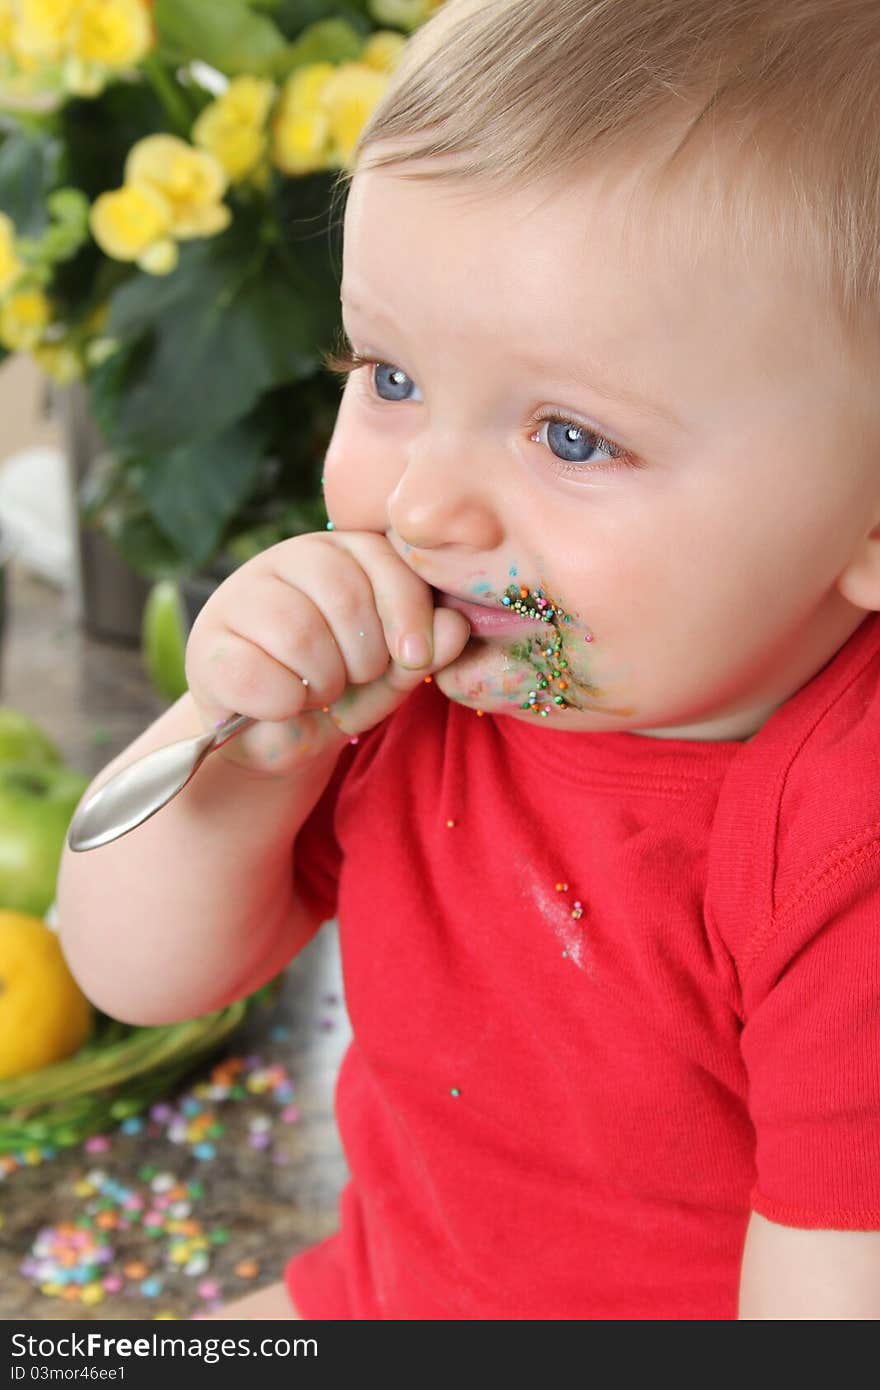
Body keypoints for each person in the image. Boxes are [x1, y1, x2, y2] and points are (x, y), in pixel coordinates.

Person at [58, 0, 880, 1319]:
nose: (426, 507)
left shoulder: (847, 845)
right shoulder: (417, 672)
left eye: (569, 438)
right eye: (388, 375)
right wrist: (244, 730)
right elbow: (136, 970)